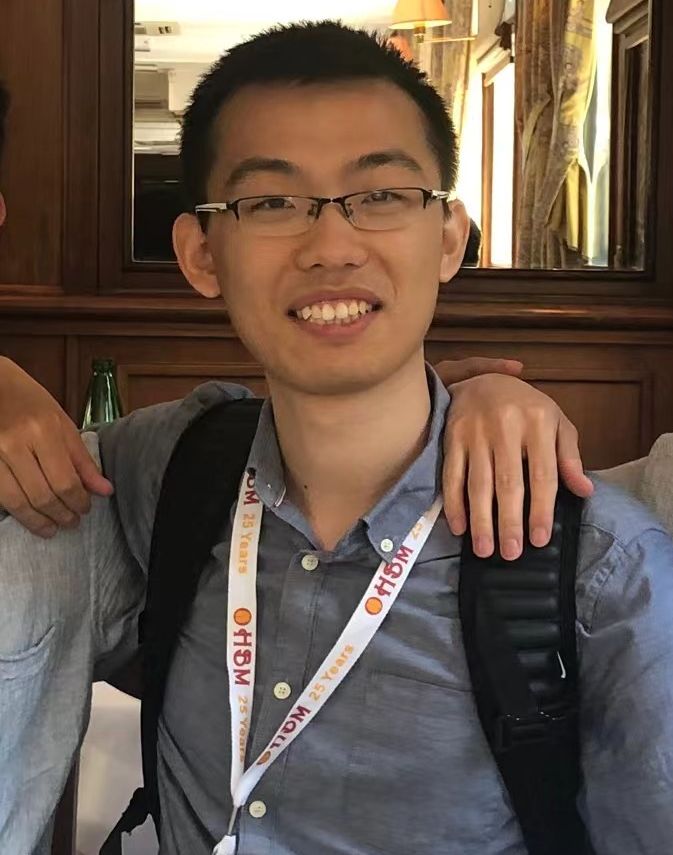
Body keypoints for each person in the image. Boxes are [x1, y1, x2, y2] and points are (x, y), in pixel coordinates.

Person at [1, 22, 672, 855]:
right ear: (201, 255)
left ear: (448, 238)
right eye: (270, 203)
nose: (331, 246)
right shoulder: (167, 469)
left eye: (381, 195)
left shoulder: (601, 566)